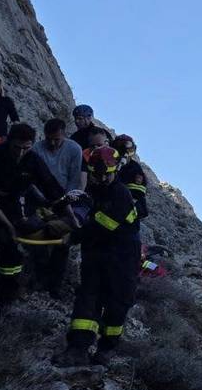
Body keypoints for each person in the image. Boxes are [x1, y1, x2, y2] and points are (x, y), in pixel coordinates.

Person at [0, 122, 68, 311]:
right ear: (8, 142)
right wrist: (10, 226)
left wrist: (68, 212)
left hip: (8, 202)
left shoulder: (33, 160)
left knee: (9, 247)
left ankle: (7, 296)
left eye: (26, 148)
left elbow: (51, 186)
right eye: (17, 148)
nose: (20, 153)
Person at [53, 146, 140, 368]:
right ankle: (77, 349)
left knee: (117, 303)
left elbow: (105, 225)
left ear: (115, 170)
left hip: (122, 256)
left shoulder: (121, 194)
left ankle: (106, 349)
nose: (101, 179)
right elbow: (83, 215)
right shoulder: (91, 190)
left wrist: (74, 237)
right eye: (97, 175)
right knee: (88, 298)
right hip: (95, 252)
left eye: (106, 175)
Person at [28, 119, 84, 295]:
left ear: (64, 135)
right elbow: (31, 179)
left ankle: (55, 286)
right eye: (49, 139)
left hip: (63, 201)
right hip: (39, 199)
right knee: (37, 239)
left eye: (57, 139)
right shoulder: (37, 149)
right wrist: (42, 199)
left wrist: (65, 203)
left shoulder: (74, 149)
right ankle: (40, 280)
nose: (52, 143)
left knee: (62, 243)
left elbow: (74, 179)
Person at [111, 134, 149, 225]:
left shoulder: (135, 170)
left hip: (123, 217)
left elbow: (136, 196)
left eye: (127, 149)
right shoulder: (108, 162)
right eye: (120, 147)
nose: (124, 153)